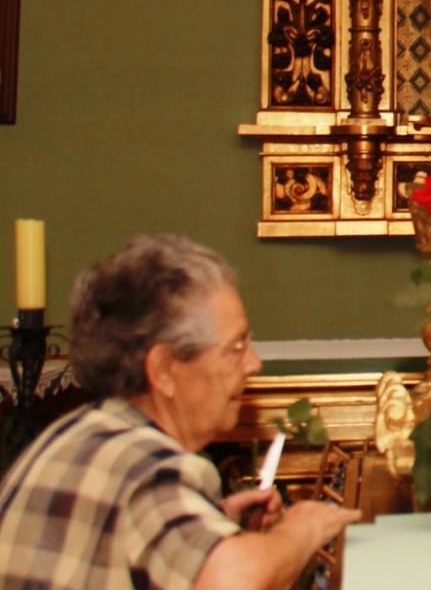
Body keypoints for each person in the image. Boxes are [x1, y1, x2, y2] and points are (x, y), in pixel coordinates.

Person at [0, 235, 360, 589]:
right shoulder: (147, 465)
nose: (254, 363)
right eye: (236, 347)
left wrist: (215, 525)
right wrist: (302, 529)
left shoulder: (81, 434)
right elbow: (232, 582)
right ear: (165, 369)